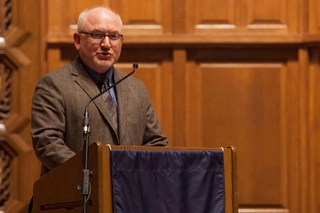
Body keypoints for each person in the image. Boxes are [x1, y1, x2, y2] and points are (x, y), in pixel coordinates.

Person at [31, 6, 168, 177]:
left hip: (128, 195)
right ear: (78, 40)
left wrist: (128, 174)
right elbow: (47, 144)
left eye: (113, 36)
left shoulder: (136, 88)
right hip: (75, 195)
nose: (106, 44)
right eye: (97, 35)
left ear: (121, 42)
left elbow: (156, 143)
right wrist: (96, 175)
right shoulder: (54, 85)